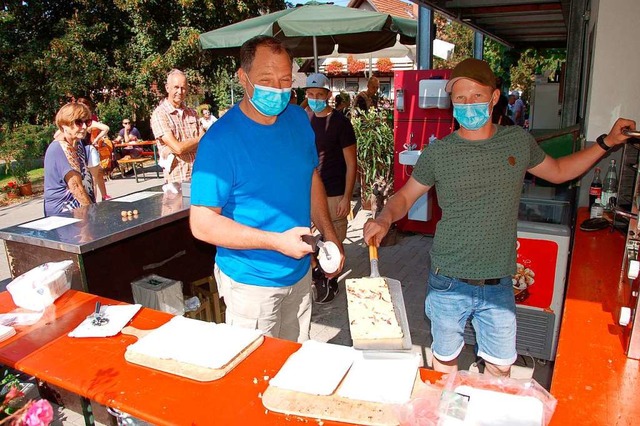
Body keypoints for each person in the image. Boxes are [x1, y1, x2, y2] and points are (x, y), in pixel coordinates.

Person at [363, 57, 636, 377]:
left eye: (476, 96)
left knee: (500, 367)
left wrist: (606, 142)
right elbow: (405, 196)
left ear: (493, 97)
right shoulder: (439, 152)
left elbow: (560, 172)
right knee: (445, 362)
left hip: (498, 282)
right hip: (448, 278)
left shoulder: (517, 141)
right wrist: (383, 218)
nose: (468, 104)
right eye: (459, 98)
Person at [189, 35, 344, 342]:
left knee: (294, 362)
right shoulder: (220, 141)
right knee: (254, 374)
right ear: (243, 78)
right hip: (252, 284)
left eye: (285, 80)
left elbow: (310, 176)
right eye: (266, 79)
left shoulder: (298, 119)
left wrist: (330, 236)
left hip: (299, 275)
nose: (277, 88)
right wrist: (275, 242)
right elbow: (202, 223)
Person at [304, 73, 357, 303]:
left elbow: (351, 163)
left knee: (333, 241)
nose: (315, 98)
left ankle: (330, 280)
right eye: (311, 94)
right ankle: (319, 273)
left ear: (328, 95)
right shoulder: (305, 120)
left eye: (319, 94)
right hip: (308, 192)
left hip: (334, 192)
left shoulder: (340, 123)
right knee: (310, 239)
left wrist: (347, 197)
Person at [150, 69, 203, 183]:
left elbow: (205, 144)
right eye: (176, 87)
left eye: (183, 88)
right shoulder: (160, 114)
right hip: (177, 180)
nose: (180, 91)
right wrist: (199, 139)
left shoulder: (192, 113)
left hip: (199, 175)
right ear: (167, 88)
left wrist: (195, 142)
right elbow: (178, 148)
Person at [44, 102, 96, 216]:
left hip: (81, 206)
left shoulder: (78, 142)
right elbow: (76, 187)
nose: (84, 127)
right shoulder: (59, 148)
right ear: (64, 125)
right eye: (78, 122)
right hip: (65, 210)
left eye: (87, 122)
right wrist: (93, 214)